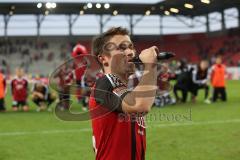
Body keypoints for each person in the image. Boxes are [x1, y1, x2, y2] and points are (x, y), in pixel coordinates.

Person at [89, 27, 158, 160]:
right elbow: (140, 105)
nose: (130, 52)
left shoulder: (122, 90)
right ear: (104, 59)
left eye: (131, 47)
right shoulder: (104, 83)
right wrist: (150, 65)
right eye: (121, 48)